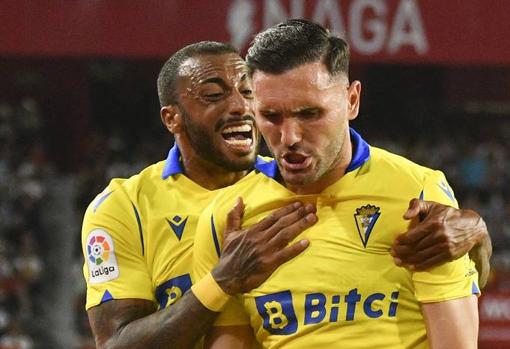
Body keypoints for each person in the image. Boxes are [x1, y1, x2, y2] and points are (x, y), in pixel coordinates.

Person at [82, 39, 489, 349]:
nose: (240, 107)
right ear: (172, 118)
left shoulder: (296, 178)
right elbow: (117, 343)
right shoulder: (124, 206)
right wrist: (223, 280)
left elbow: (457, 279)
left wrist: (474, 228)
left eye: (247, 94)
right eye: (213, 95)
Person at [193, 20, 480, 349]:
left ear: (351, 100)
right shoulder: (226, 218)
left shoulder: (417, 194)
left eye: (310, 113)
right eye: (271, 116)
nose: (290, 137)